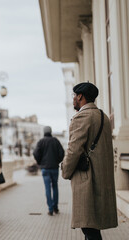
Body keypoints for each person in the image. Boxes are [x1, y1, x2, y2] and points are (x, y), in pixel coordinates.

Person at [62, 82, 118, 240]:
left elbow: (74, 149)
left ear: (80, 96)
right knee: (93, 227)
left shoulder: (82, 117)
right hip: (102, 177)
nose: (73, 99)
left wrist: (65, 170)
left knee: (89, 228)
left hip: (87, 179)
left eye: (74, 95)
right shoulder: (103, 116)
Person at [33, 126, 64, 216]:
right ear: (50, 132)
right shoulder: (55, 141)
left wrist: (40, 162)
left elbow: (35, 153)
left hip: (45, 169)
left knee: (47, 188)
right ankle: (55, 207)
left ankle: (50, 209)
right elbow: (62, 153)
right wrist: (57, 161)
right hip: (54, 168)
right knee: (55, 187)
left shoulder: (41, 142)